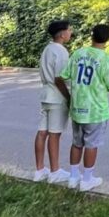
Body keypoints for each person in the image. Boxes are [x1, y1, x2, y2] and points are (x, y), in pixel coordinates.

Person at [56, 24, 109, 193]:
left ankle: (73, 177)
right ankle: (87, 179)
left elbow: (63, 76)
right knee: (91, 144)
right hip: (96, 110)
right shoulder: (107, 60)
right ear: (108, 39)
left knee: (77, 143)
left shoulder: (78, 53)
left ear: (92, 36)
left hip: (77, 107)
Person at [33, 19, 72, 184]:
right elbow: (59, 78)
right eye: (69, 30)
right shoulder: (61, 51)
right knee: (54, 134)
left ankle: (40, 170)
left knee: (42, 132)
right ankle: (55, 171)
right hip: (57, 97)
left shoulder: (47, 49)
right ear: (62, 34)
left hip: (45, 94)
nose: (70, 33)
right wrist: (68, 97)